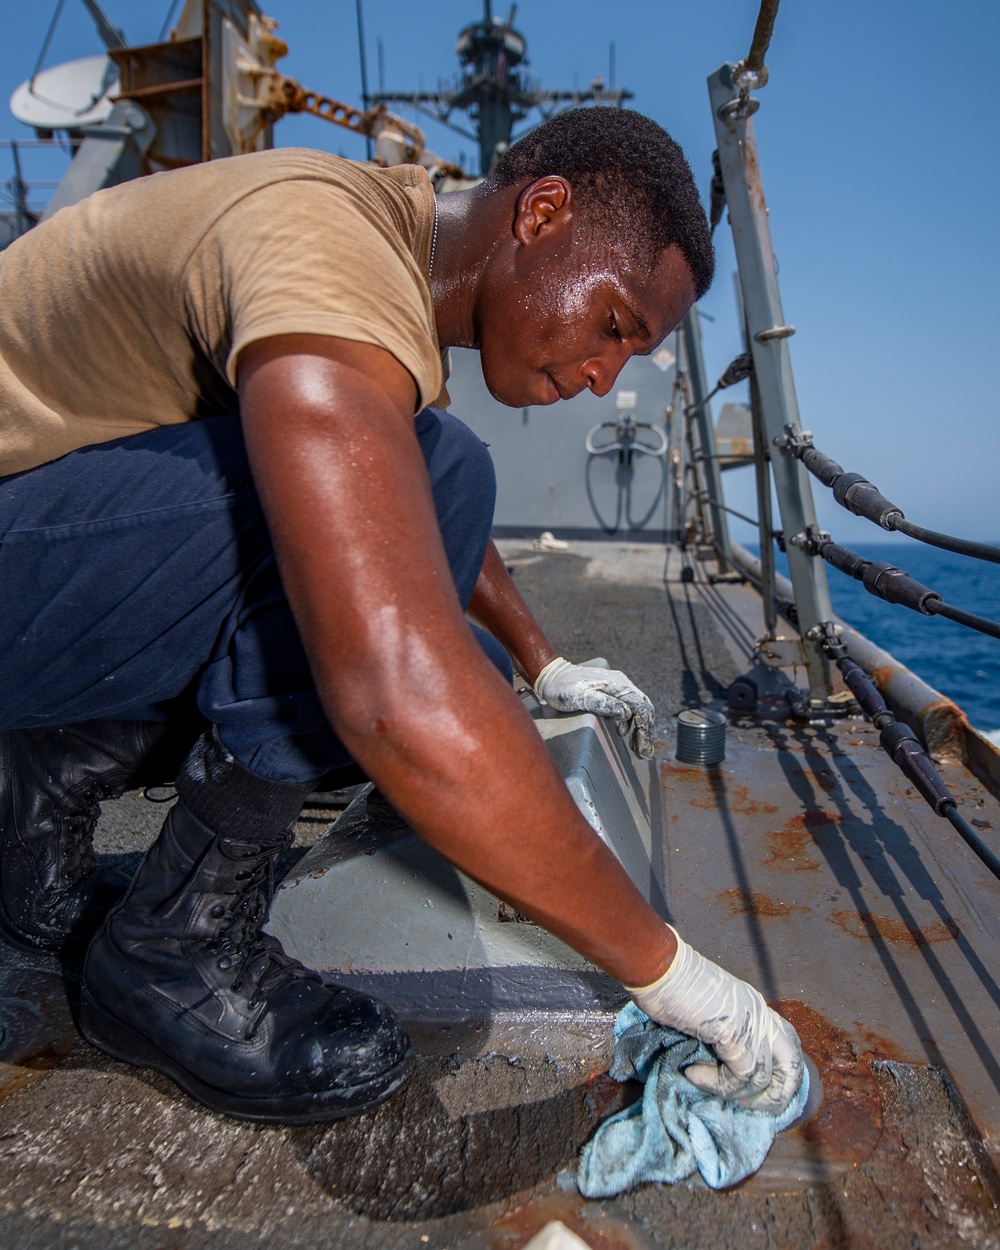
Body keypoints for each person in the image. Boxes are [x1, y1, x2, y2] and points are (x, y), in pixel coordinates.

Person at [0, 107, 803, 1124]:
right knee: (406, 550)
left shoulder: (384, 238)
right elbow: (392, 685)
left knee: (440, 496)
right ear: (541, 212)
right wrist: (677, 974)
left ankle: (37, 801)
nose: (606, 378)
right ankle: (174, 950)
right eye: (613, 325)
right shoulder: (324, 241)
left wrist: (541, 663)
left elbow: (415, 501)